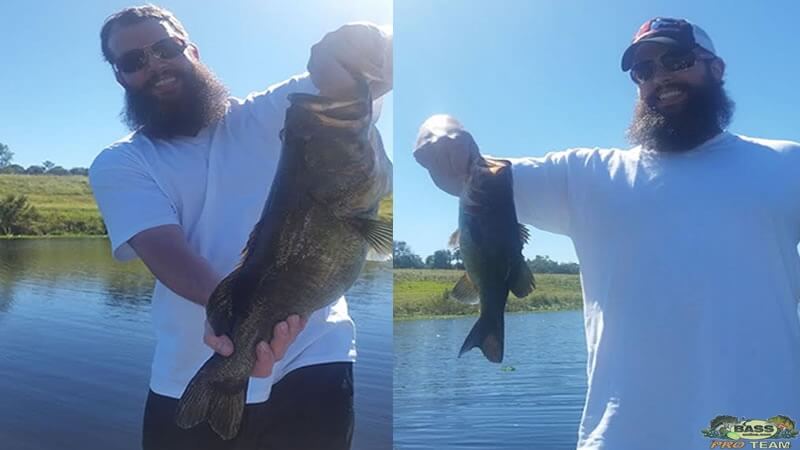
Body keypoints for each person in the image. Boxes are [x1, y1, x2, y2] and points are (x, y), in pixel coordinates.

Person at [415, 17, 800, 450]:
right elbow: (466, 175)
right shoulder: (587, 175)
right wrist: (439, 130)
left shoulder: (787, 164)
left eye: (677, 60)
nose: (660, 77)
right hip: (622, 437)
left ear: (717, 68)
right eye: (644, 71)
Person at [88, 5, 391, 450]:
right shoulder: (120, 161)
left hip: (314, 357)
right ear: (120, 77)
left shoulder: (275, 113)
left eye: (166, 48)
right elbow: (164, 251)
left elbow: (365, 68)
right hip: (194, 370)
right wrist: (235, 325)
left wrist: (361, 43)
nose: (155, 65)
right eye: (133, 61)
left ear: (191, 48)